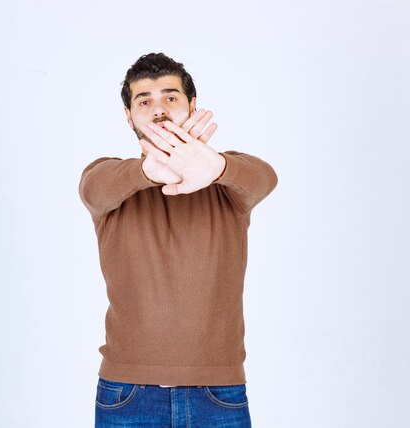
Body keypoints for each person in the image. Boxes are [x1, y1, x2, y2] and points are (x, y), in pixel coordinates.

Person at [79, 52, 277, 427]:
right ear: (128, 114)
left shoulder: (228, 184)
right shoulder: (110, 179)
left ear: (192, 106)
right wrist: (150, 169)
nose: (159, 110)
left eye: (170, 97)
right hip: (127, 392)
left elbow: (265, 178)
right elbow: (94, 188)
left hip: (218, 393)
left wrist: (216, 165)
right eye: (144, 101)